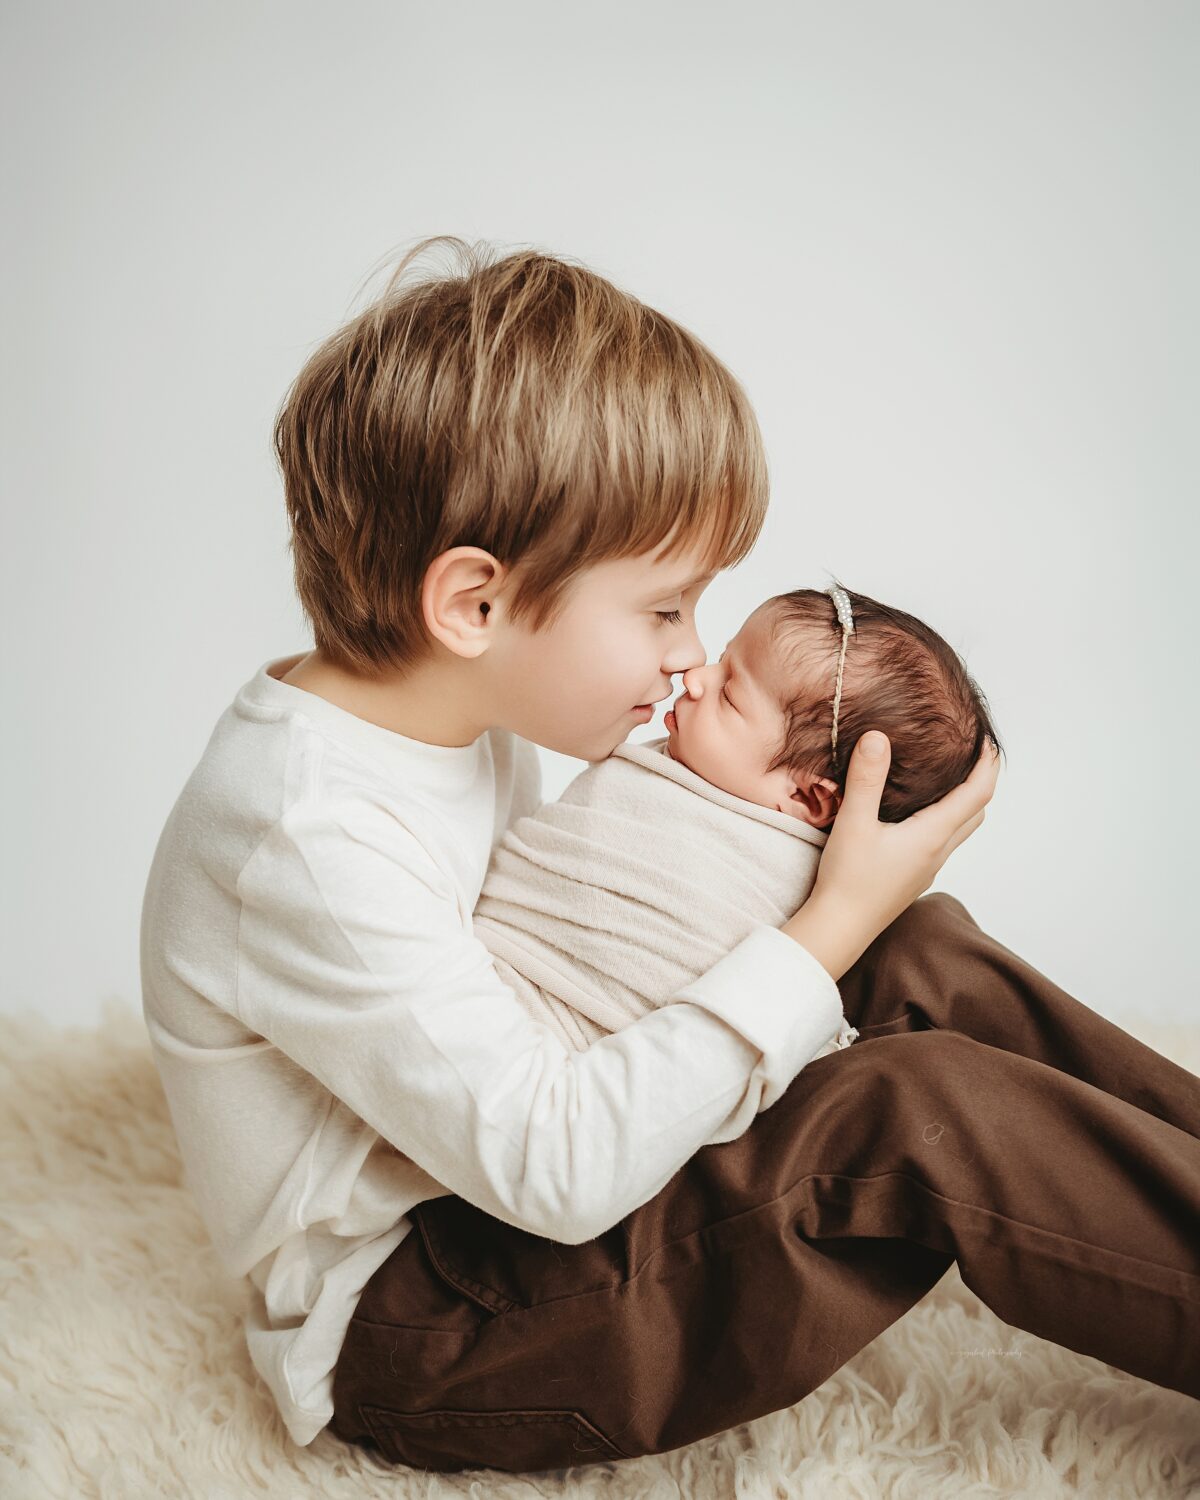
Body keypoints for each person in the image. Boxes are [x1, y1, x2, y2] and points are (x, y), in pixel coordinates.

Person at [138, 237, 1198, 1476]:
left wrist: (847, 912)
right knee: (907, 1109)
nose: (688, 658)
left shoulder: (442, 720)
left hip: (494, 1206)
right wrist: (820, 935)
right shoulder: (301, 834)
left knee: (912, 944)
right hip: (432, 1324)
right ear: (474, 606)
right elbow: (557, 1169)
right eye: (662, 609)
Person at [469, 581, 1000, 1056]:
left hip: (586, 1045)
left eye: (728, 694)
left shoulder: (772, 873)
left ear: (808, 800)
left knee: (935, 934)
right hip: (501, 1010)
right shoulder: (685, 777)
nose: (695, 677)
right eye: (722, 660)